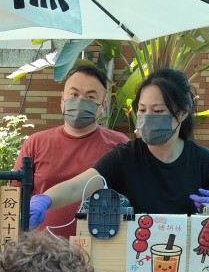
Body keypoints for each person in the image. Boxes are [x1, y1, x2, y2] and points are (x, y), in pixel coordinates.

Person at [28, 68, 209, 228]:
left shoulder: (204, 161)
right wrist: (45, 200)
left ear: (182, 113)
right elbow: (77, 187)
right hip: (132, 261)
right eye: (142, 110)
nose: (148, 117)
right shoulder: (124, 157)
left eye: (158, 111)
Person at [16, 63, 127, 236]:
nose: (80, 101)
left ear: (103, 105)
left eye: (90, 97)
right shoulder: (35, 143)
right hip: (42, 247)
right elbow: (15, 196)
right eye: (74, 94)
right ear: (62, 100)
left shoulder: (119, 145)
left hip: (101, 245)